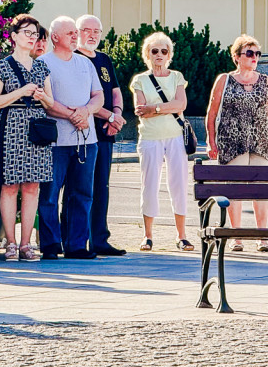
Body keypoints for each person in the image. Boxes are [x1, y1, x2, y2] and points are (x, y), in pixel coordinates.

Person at [0, 15, 55, 262]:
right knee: (10, 185)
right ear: (14, 36)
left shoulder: (41, 67)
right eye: (26, 32)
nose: (31, 37)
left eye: (35, 33)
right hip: (13, 126)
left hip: (37, 128)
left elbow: (51, 103)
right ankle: (11, 243)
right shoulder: (2, 66)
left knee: (32, 186)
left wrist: (41, 96)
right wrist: (20, 92)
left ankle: (27, 244)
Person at [205, 35, 268, 252]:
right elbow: (211, 113)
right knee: (234, 189)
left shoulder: (265, 80)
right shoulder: (224, 80)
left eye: (257, 53)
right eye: (249, 53)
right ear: (237, 56)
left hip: (261, 142)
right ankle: (237, 236)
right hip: (231, 141)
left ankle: (262, 236)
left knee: (261, 189)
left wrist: (256, 118)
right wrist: (211, 142)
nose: (254, 57)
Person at [38, 17, 104, 260]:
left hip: (87, 140)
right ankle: (51, 244)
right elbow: (45, 101)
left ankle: (77, 245)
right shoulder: (43, 63)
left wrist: (86, 112)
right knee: (49, 195)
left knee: (82, 194)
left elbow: (98, 95)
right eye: (69, 33)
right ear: (55, 37)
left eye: (75, 32)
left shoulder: (85, 64)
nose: (75, 36)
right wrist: (73, 115)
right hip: (56, 142)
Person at [131, 31, 193, 251]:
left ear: (169, 55)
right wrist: (166, 108)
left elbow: (181, 105)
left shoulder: (177, 76)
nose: (159, 54)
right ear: (147, 54)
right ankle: (148, 236)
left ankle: (182, 235)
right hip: (149, 138)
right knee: (150, 185)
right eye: (154, 50)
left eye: (163, 51)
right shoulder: (139, 80)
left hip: (175, 136)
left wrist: (155, 108)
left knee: (178, 184)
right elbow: (141, 111)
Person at [75, 14, 127, 256]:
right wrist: (110, 117)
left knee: (102, 187)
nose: (92, 35)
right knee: (82, 189)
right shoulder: (74, 59)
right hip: (83, 133)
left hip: (106, 134)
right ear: (77, 33)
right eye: (87, 30)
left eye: (96, 30)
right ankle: (77, 240)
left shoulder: (105, 59)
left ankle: (100, 239)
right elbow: (83, 99)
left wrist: (115, 114)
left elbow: (115, 92)